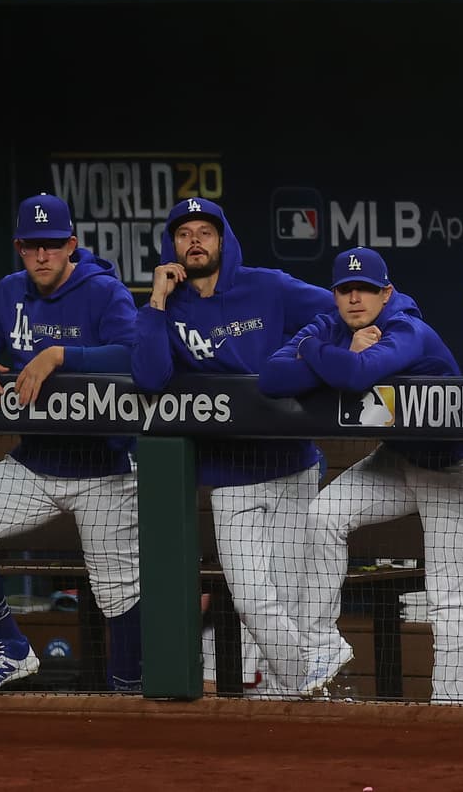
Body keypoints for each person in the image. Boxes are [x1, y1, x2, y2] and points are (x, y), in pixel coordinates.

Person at [260, 246, 463, 703]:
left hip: (457, 468)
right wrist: (329, 350)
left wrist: (313, 352)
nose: (355, 299)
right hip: (401, 457)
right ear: (334, 295)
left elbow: (357, 373)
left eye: (366, 290)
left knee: (447, 597)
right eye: (345, 290)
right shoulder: (331, 327)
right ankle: (323, 645)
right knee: (322, 516)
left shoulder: (408, 328)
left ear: (386, 293)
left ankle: (450, 709)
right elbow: (271, 378)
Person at [0, 193, 141, 692]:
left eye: (51, 245)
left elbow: (135, 355)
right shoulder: (8, 293)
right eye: (31, 246)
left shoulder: (104, 292)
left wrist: (60, 355)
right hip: (36, 464)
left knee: (117, 592)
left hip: (106, 467)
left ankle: (129, 689)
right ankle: (12, 646)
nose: (42, 256)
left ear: (71, 244)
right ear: (19, 247)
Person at [131, 196, 333, 698]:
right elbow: (150, 376)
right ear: (171, 245)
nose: (195, 239)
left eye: (205, 230)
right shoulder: (167, 308)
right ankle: (312, 674)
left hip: (291, 466)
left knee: (287, 599)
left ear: (223, 240)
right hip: (228, 473)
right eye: (184, 233)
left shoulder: (268, 286)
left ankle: (294, 703)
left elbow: (339, 309)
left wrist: (303, 352)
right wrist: (156, 300)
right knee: (250, 599)